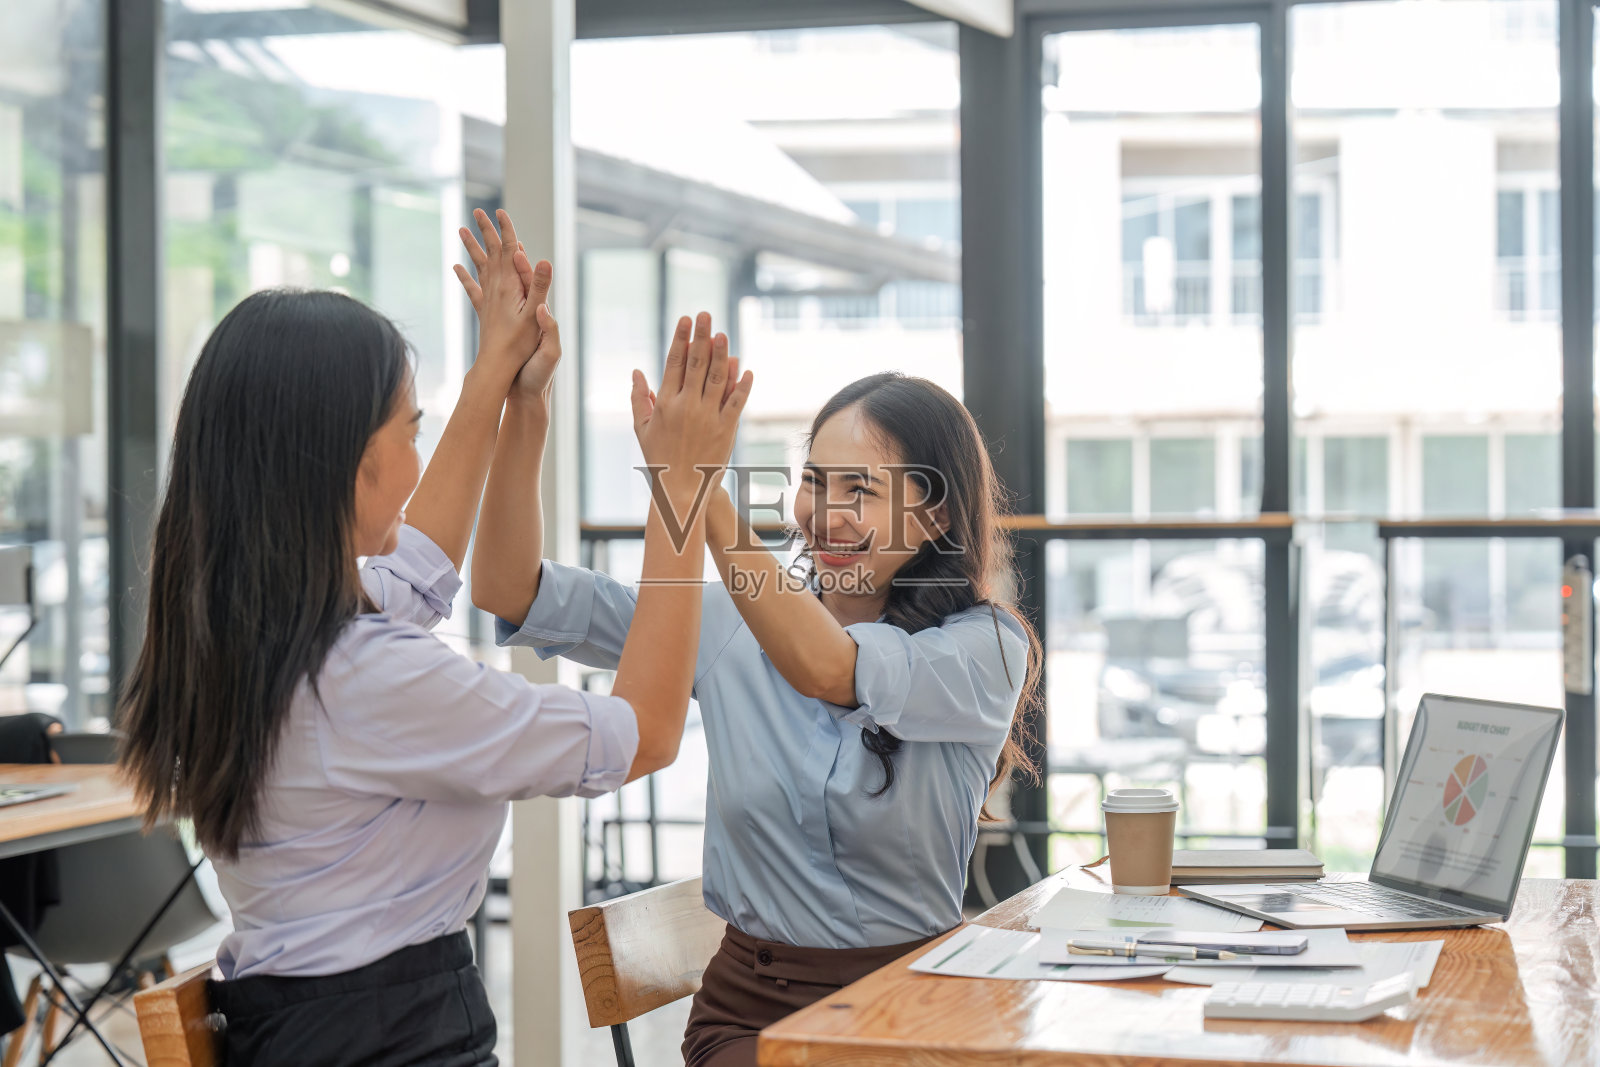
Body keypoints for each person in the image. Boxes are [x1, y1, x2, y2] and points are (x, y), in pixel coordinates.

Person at [116, 208, 752, 1067]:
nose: (419, 461)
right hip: (390, 1043)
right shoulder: (364, 675)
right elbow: (643, 734)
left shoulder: (253, 633)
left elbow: (421, 566)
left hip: (302, 1032)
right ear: (341, 462)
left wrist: (509, 384)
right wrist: (682, 485)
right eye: (411, 431)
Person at [461, 240, 1039, 1066]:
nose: (823, 513)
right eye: (815, 481)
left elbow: (830, 668)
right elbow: (509, 588)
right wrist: (528, 406)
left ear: (937, 518)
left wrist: (694, 487)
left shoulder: (986, 646)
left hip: (914, 1011)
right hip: (746, 1019)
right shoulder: (723, 623)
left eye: (861, 492)